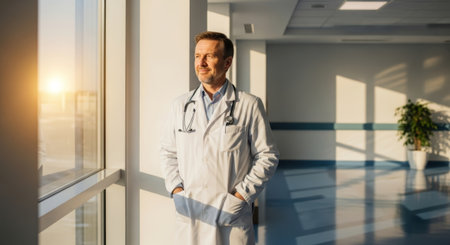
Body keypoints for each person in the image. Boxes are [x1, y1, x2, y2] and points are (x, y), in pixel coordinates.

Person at [160, 31, 279, 245]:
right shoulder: (180, 106)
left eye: (209, 56)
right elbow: (168, 153)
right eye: (197, 56)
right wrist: (177, 192)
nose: (201, 63)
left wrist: (241, 197)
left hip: (230, 215)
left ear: (227, 63)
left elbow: (267, 156)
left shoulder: (249, 105)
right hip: (190, 213)